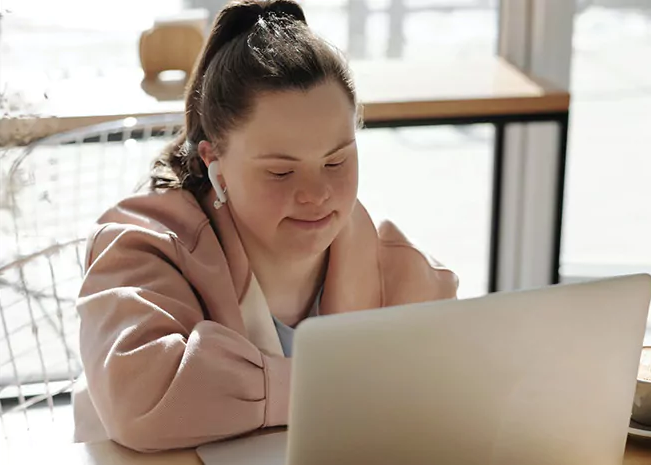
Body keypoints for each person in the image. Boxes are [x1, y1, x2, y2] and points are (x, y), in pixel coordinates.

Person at [72, 0, 458, 452]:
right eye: (281, 171)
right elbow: (141, 400)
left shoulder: (398, 267)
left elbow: (452, 389)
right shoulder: (142, 246)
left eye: (336, 160)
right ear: (214, 162)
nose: (316, 194)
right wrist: (345, 387)